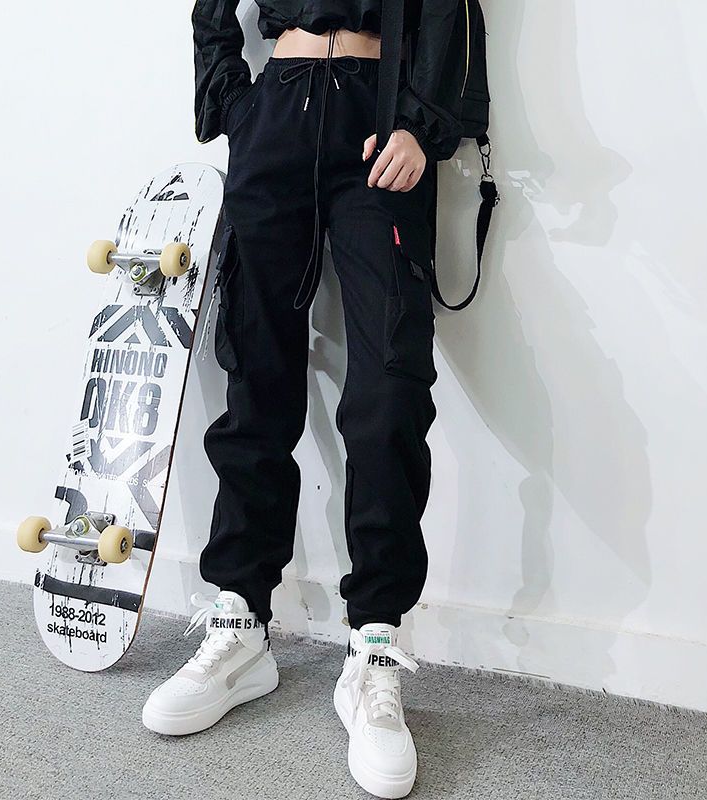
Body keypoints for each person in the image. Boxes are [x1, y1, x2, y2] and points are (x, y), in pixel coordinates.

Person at [143, 2, 468, 797]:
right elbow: (213, 9)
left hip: (380, 129)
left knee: (389, 389)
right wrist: (234, 101)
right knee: (256, 375)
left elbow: (451, 11)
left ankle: (374, 645)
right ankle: (240, 622)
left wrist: (420, 127)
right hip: (275, 114)